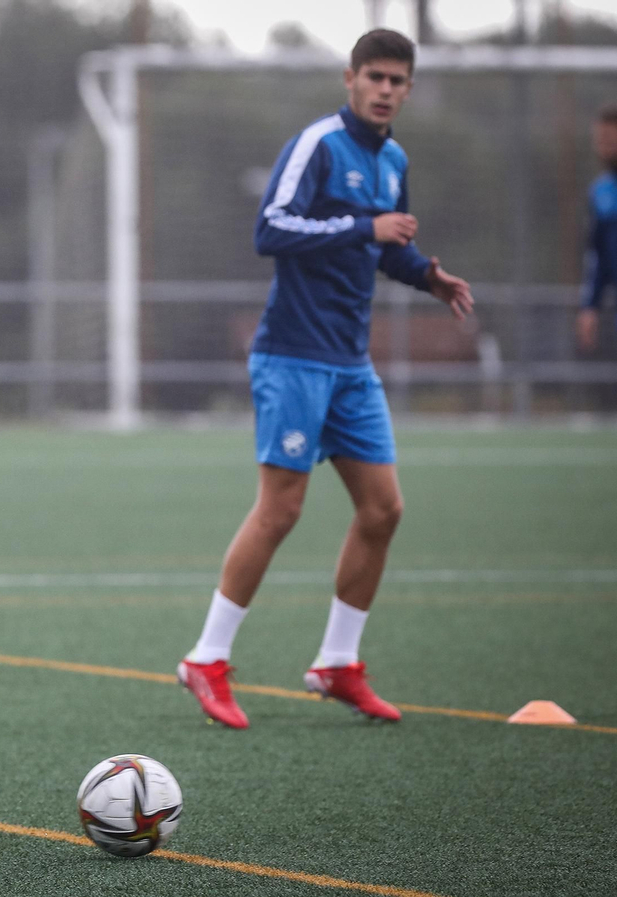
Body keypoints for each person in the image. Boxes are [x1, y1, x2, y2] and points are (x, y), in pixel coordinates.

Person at [175, 30, 474, 730]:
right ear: (350, 79)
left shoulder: (394, 157)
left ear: (408, 88)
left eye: (397, 80)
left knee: (383, 509)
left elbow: (385, 243)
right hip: (292, 356)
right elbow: (271, 230)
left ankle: (339, 662)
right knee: (281, 510)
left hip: (349, 364)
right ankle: (206, 658)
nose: (384, 89)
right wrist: (366, 228)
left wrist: (426, 274)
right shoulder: (317, 146)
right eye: (374, 76)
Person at [577, 105, 617, 353]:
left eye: (609, 139)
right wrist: (589, 307)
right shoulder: (600, 192)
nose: (602, 145)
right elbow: (598, 255)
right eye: (599, 139)